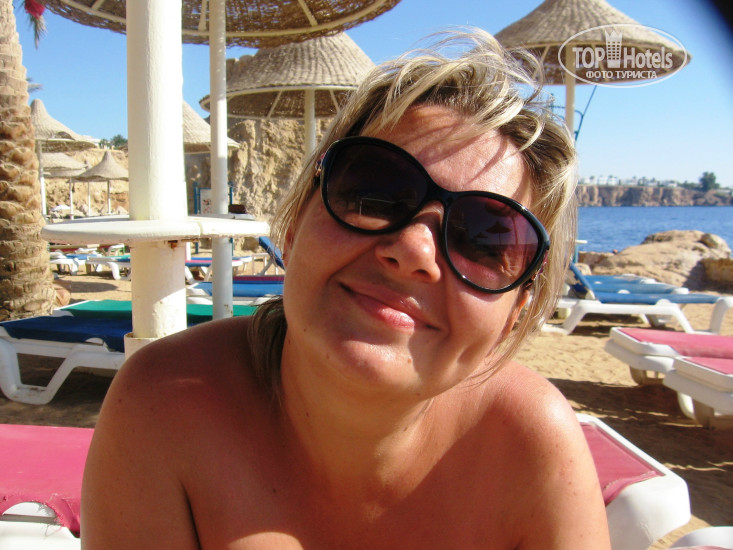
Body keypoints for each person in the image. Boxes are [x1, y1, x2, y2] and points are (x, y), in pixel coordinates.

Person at [82, 29, 610, 549]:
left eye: (484, 240)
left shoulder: (533, 446)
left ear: (516, 312)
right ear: (295, 223)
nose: (414, 249)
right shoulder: (164, 407)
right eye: (373, 194)